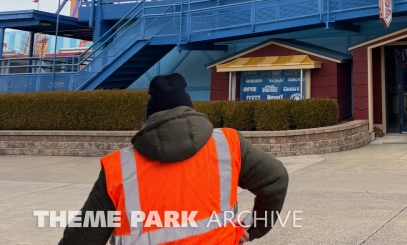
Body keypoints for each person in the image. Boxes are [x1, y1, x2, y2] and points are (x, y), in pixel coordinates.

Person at [60, 73, 289, 244]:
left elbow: (81, 238)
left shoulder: (119, 168)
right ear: (190, 111)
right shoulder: (228, 145)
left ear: (149, 119)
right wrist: (250, 228)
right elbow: (275, 179)